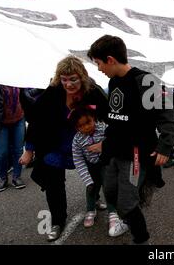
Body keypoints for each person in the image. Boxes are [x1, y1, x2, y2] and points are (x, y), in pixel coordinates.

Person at [87, 34, 174, 245]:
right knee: (110, 192)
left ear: (110, 59)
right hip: (114, 151)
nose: (99, 69)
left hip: (136, 154)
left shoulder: (145, 81)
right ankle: (129, 213)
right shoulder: (113, 81)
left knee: (126, 204)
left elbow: (167, 115)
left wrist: (165, 146)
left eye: (99, 63)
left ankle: (141, 238)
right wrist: (105, 143)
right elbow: (116, 119)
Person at [19, 56, 109, 242]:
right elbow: (37, 119)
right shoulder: (53, 92)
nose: (68, 84)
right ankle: (58, 221)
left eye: (73, 79)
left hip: (87, 143)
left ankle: (94, 198)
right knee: (53, 183)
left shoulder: (93, 91)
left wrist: (105, 143)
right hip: (56, 144)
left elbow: (111, 117)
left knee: (96, 174)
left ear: (82, 77)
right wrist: (29, 149)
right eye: (64, 79)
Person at [69, 105, 129, 235]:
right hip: (91, 166)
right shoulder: (77, 140)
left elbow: (114, 142)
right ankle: (91, 209)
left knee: (110, 187)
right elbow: (78, 160)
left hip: (107, 163)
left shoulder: (104, 128)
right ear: (76, 128)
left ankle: (113, 212)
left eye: (88, 122)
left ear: (94, 118)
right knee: (91, 188)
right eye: (81, 126)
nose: (86, 127)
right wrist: (87, 179)